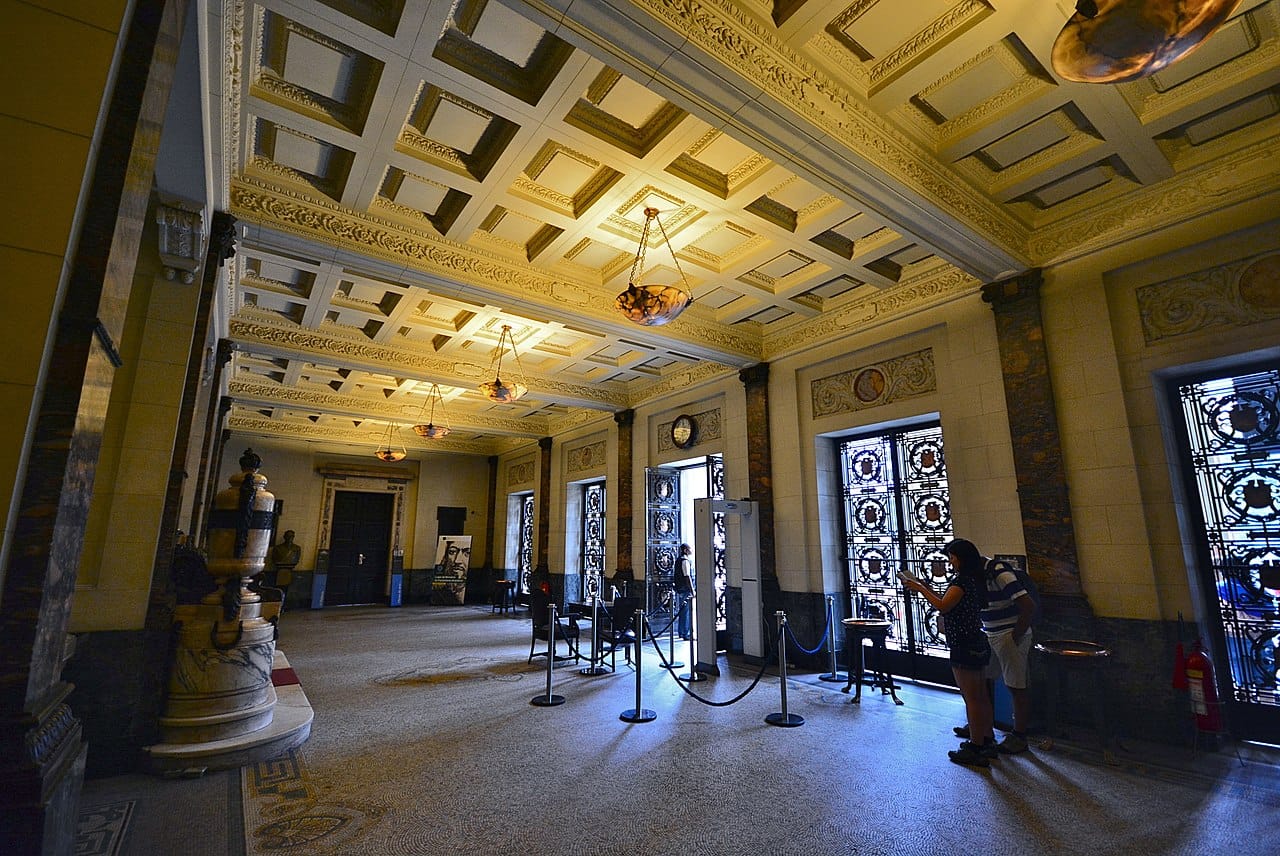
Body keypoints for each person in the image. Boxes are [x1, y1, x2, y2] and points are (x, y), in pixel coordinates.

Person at [900, 538, 995, 768]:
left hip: (964, 644)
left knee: (971, 697)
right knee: (980, 694)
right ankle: (986, 737)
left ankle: (976, 746)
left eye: (952, 557)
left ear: (961, 558)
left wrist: (921, 588)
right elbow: (946, 600)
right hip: (975, 641)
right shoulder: (973, 579)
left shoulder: (962, 581)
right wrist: (926, 586)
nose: (950, 561)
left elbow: (943, 606)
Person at [978, 556, 1036, 754]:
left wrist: (1014, 636)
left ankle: (1019, 735)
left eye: (953, 559)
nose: (952, 565)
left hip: (1008, 635)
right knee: (984, 678)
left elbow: (1027, 605)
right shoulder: (977, 576)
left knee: (1016, 684)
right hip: (991, 633)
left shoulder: (1000, 572)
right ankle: (983, 725)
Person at [269, 530, 301, 604]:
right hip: (280, 571)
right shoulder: (278, 548)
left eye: (292, 536)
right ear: (284, 537)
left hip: (290, 571)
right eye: (288, 536)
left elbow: (296, 559)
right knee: (280, 589)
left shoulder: (296, 548)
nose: (290, 538)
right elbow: (274, 559)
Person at [674, 543, 694, 640]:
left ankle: (682, 632)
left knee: (683, 611)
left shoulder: (678, 560)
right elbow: (687, 576)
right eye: (690, 549)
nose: (691, 550)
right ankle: (686, 633)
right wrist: (692, 590)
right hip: (684, 589)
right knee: (686, 612)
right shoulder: (685, 561)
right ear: (685, 550)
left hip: (680, 588)